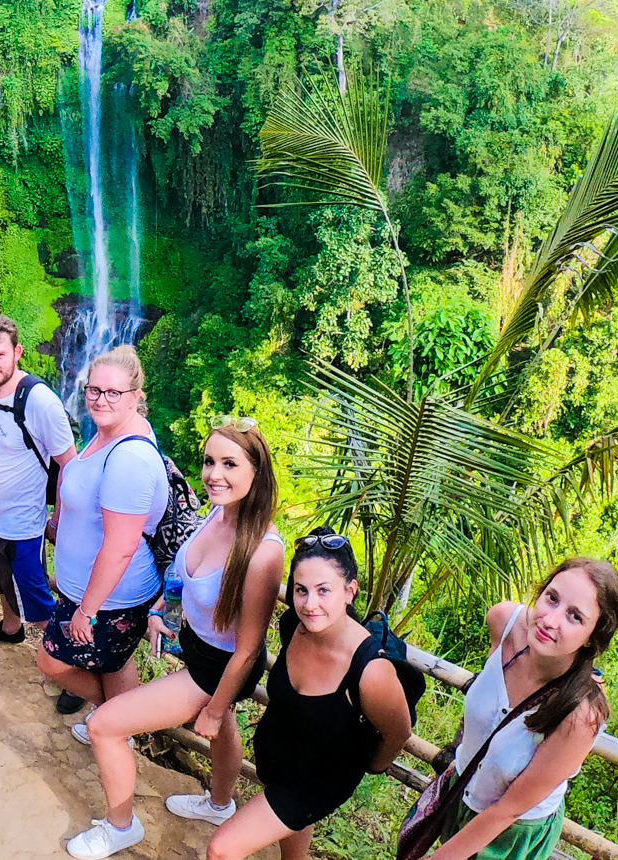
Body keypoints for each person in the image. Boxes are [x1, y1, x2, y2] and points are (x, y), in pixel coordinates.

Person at [65, 418, 286, 860]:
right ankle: (220, 805)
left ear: (256, 472)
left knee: (103, 726)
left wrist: (216, 705)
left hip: (221, 668)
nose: (213, 474)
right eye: (208, 462)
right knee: (222, 732)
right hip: (199, 648)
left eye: (229, 464)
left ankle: (120, 826)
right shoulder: (216, 515)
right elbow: (187, 578)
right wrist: (158, 609)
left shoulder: (263, 551)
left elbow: (247, 649)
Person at [201, 527, 414, 860]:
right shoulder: (293, 626)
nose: (310, 604)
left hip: (318, 781)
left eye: (323, 591)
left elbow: (398, 731)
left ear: (350, 591)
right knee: (293, 837)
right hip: (280, 758)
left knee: (222, 849)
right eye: (301, 590)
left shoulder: (371, 671)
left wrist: (371, 764)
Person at [415, 558, 618, 860]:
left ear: (593, 636)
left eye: (575, 617)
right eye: (551, 598)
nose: (551, 621)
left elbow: (509, 809)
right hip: (461, 792)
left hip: (511, 833)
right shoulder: (504, 623)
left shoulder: (579, 715)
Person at [37, 346, 168, 734]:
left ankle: (116, 723)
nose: (100, 400)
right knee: (114, 662)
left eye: (114, 393)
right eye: (94, 390)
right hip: (94, 592)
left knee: (51, 662)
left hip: (109, 598)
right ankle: (116, 728)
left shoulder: (129, 458)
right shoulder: (107, 433)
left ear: (136, 397)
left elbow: (121, 545)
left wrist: (87, 610)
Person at [0, 313, 78, 651]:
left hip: (22, 527)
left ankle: (71, 659)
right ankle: (11, 628)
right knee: (0, 583)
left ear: (17, 352)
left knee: (39, 603)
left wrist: (58, 520)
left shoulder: (39, 402)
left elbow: (68, 465)